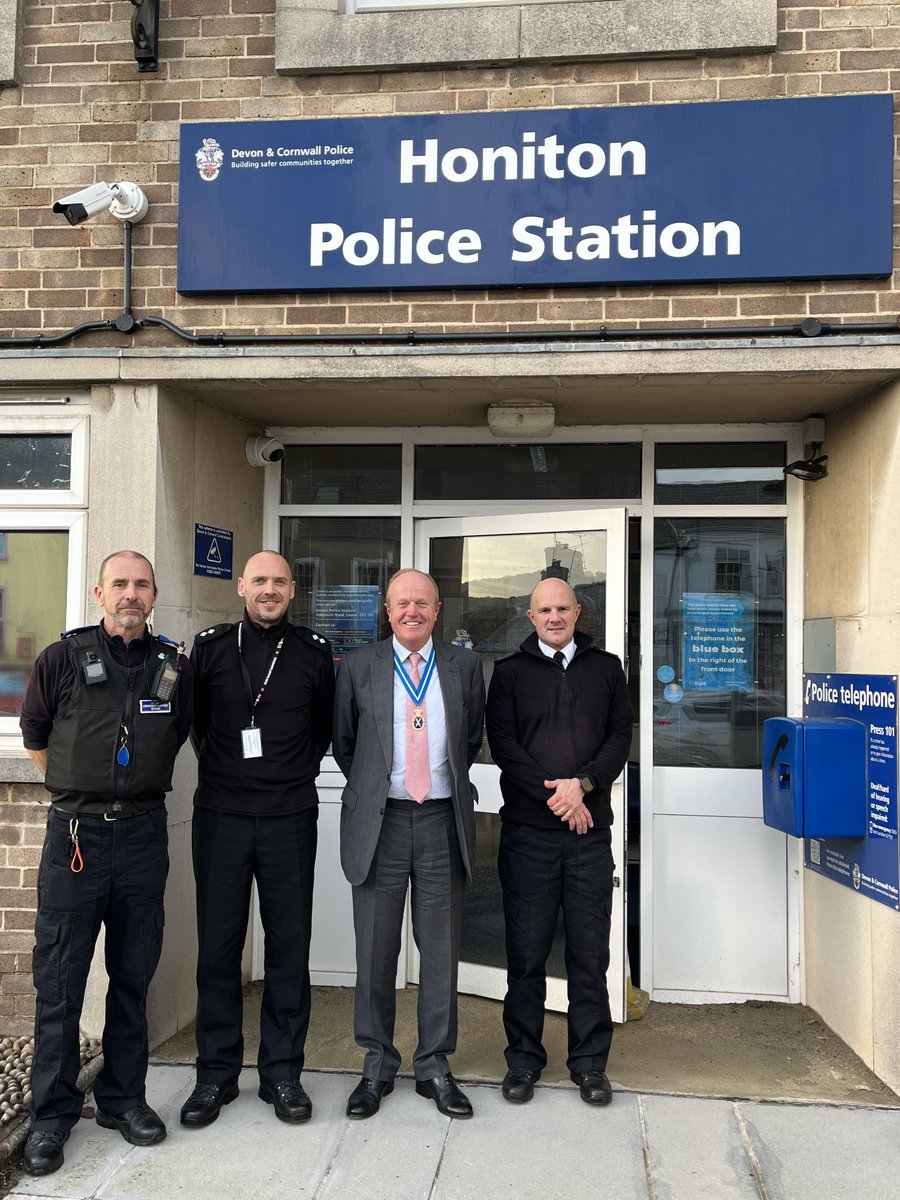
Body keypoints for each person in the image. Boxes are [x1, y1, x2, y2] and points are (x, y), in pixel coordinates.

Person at [19, 551, 194, 1177]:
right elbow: (34, 735)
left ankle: (124, 1100)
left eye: (140, 585)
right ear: (99, 593)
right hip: (76, 839)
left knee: (133, 976)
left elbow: (175, 736)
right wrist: (80, 793)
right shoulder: (62, 658)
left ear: (154, 594)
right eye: (119, 584)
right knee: (60, 981)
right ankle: (51, 1116)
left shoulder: (173, 665)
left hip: (144, 837)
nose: (130, 594)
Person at [179, 551, 334, 1130]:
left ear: (293, 589)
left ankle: (282, 1074)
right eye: (259, 580)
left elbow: (320, 732)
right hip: (220, 815)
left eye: (279, 582)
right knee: (218, 950)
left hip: (290, 817)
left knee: (289, 948)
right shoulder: (211, 648)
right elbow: (197, 726)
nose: (269, 590)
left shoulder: (315, 654)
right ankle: (215, 1075)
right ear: (242, 585)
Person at [332, 569, 485, 1121]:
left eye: (422, 602)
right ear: (388, 611)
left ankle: (435, 1065)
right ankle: (376, 1063)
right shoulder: (358, 667)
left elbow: (469, 740)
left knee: (441, 949)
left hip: (444, 819)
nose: (412, 611)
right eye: (402, 603)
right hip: (382, 822)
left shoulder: (464, 666)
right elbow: (345, 745)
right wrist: (380, 789)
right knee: (374, 950)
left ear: (437, 610)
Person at [485, 576, 634, 1108]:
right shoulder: (508, 675)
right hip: (529, 837)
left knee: (589, 955)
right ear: (531, 617)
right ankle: (523, 1060)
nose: (554, 617)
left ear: (578, 613)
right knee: (525, 956)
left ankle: (589, 1063)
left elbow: (620, 736)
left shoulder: (607, 669)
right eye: (544, 610)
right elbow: (503, 744)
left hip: (590, 837)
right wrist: (558, 797)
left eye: (562, 609)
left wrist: (584, 787)